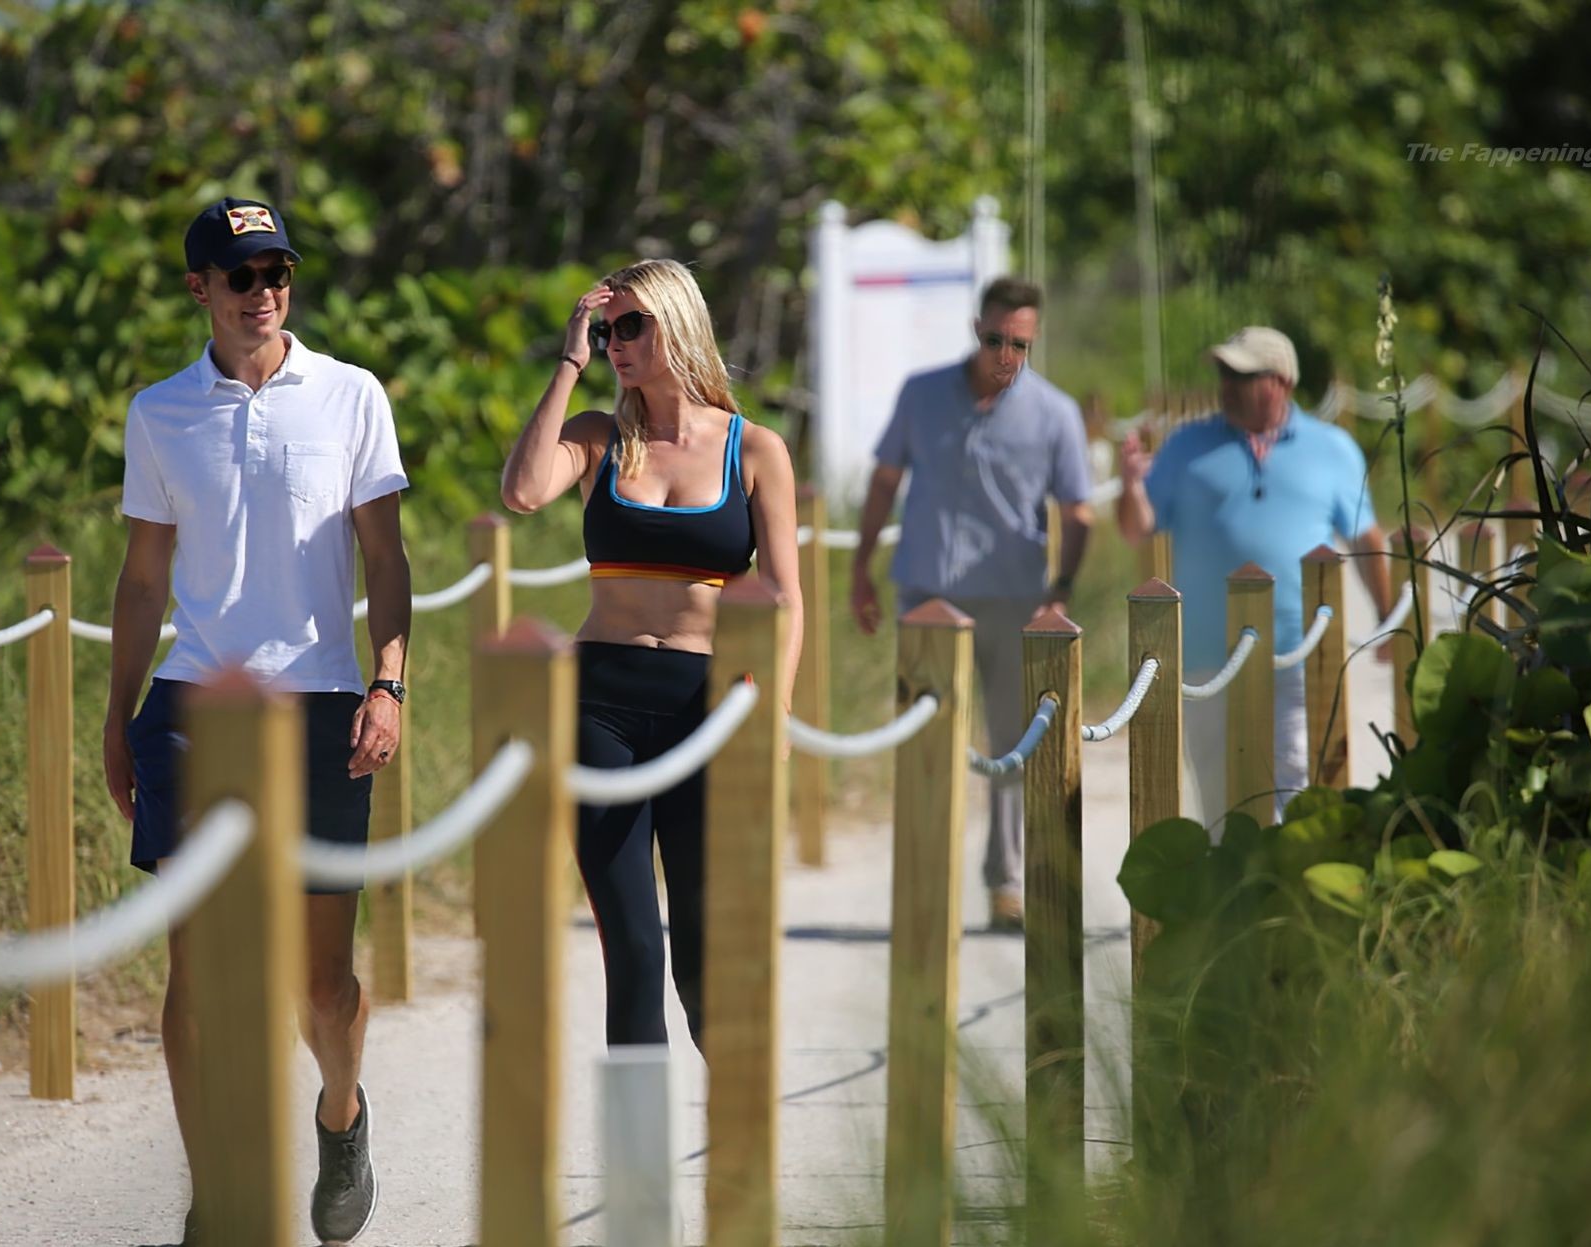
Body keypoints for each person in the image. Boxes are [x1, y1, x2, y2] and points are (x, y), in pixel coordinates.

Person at [101, 196, 411, 1247]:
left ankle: (341, 1111)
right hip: (194, 707)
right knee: (198, 972)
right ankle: (217, 1191)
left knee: (320, 986)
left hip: (322, 704)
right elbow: (142, 580)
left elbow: (387, 559)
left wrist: (389, 684)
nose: (264, 291)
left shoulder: (352, 395)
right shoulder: (159, 412)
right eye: (242, 275)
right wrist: (117, 718)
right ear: (201, 288)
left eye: (277, 272)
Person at [500, 259, 802, 1050]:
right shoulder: (597, 436)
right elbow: (523, 492)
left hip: (708, 704)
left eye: (633, 325)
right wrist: (568, 363)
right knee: (633, 946)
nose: (616, 343)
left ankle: (738, 1122)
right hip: (600, 701)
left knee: (703, 950)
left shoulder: (755, 448)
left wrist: (777, 706)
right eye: (607, 330)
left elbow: (785, 596)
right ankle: (641, 1134)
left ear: (680, 323)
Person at [849, 276, 1094, 933]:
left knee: (1012, 744)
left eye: (1021, 344)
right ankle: (924, 887)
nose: (1006, 355)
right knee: (924, 738)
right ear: (975, 329)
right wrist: (860, 568)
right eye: (995, 339)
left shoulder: (1055, 412)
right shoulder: (922, 393)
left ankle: (1005, 884)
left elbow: (1078, 509)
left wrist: (1060, 590)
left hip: (1013, 600)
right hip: (927, 592)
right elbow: (884, 479)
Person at [1116, 324, 1396, 828]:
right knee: (1216, 791)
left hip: (1299, 654)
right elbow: (1136, 528)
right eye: (1225, 374)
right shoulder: (1186, 446)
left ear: (1281, 382)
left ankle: (1285, 877)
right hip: (1206, 658)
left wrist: (1386, 615)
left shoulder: (1332, 449)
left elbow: (1365, 538)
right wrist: (1132, 486)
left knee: (1293, 785)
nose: (1228, 386)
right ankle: (1229, 876)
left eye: (1243, 376)